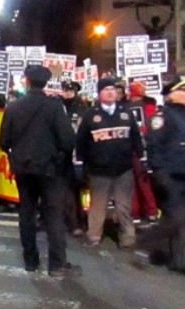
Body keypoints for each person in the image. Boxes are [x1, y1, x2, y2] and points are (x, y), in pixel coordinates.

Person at [0, 65, 78, 278]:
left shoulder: (14, 108)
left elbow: (3, 141)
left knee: (27, 212)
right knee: (53, 214)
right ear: (45, 83)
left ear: (26, 81)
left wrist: (18, 152)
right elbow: (68, 139)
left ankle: (31, 261)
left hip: (23, 168)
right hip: (50, 168)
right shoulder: (54, 107)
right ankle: (57, 264)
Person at [136, 75, 185, 278]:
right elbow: (154, 146)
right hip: (170, 175)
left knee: (183, 221)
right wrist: (160, 174)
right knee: (176, 217)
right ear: (172, 94)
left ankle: (178, 261)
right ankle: (148, 239)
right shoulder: (163, 116)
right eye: (184, 90)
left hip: (184, 174)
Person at [76, 77, 145, 249]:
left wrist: (142, 157)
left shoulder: (126, 113)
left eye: (113, 89)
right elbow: (81, 142)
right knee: (98, 206)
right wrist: (80, 164)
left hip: (123, 169)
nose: (111, 92)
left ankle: (127, 236)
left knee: (124, 206)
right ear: (99, 94)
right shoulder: (90, 115)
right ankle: (94, 235)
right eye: (106, 90)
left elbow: (136, 137)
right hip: (99, 170)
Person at [127, 81, 158, 222]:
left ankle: (137, 212)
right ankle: (150, 211)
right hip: (144, 147)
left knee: (135, 182)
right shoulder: (150, 107)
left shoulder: (127, 108)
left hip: (134, 148)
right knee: (143, 181)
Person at [60, 80, 85, 237]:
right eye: (66, 90)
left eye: (71, 90)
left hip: (78, 155)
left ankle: (79, 220)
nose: (68, 93)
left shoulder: (81, 108)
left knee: (77, 191)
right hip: (62, 155)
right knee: (66, 190)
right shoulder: (58, 106)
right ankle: (72, 221)